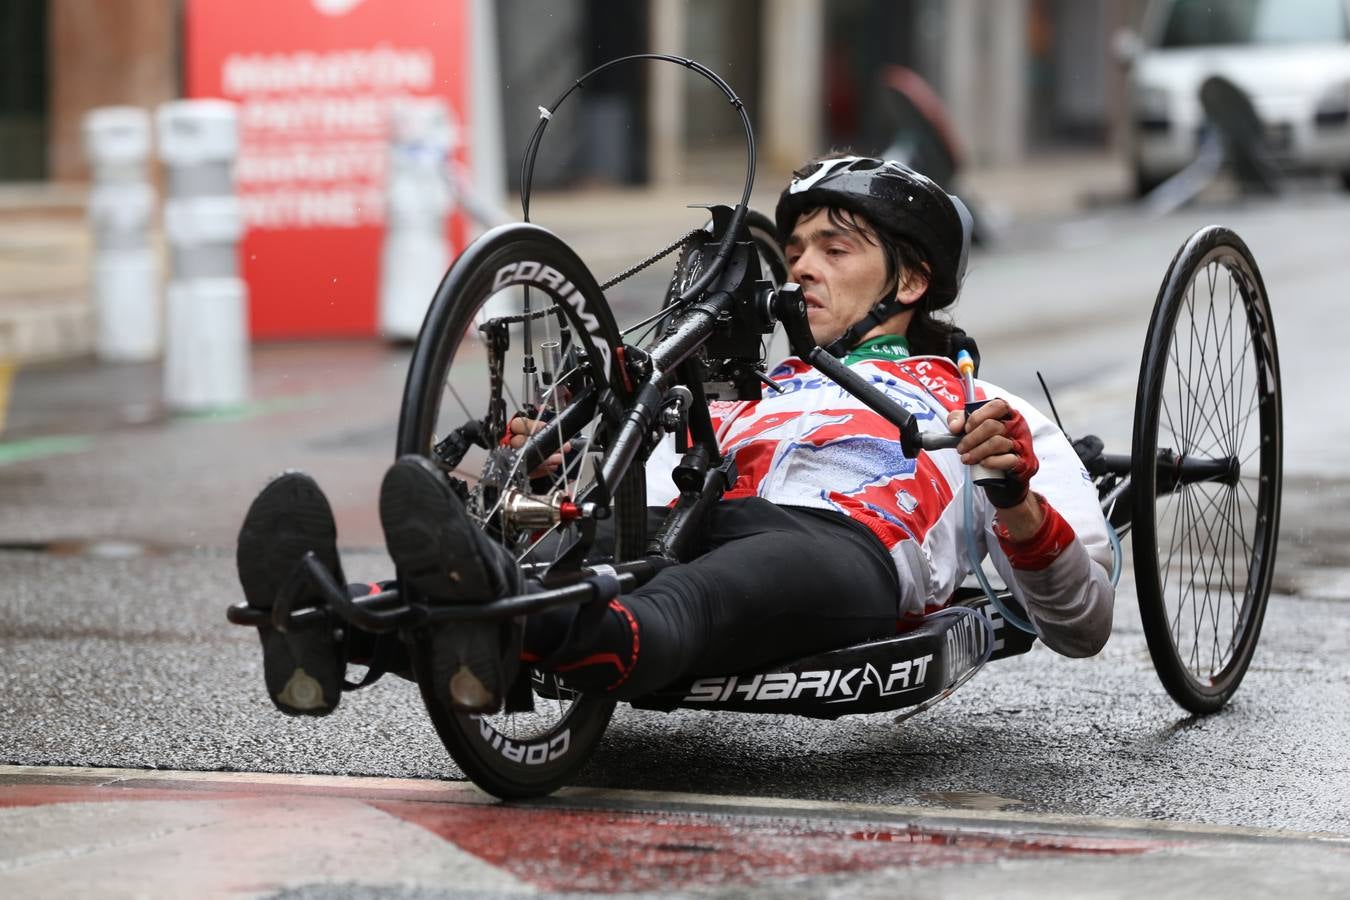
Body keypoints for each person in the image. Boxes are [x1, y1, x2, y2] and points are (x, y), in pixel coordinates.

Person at [235, 155, 1114, 719]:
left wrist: (1014, 496)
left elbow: (1082, 623)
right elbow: (623, 488)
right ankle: (330, 616)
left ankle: (502, 620)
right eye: (798, 247)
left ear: (912, 278)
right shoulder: (752, 393)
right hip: (701, 520)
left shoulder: (981, 405)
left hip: (846, 547)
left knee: (691, 601)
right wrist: (551, 456)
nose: (801, 265)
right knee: (592, 557)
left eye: (836, 250)